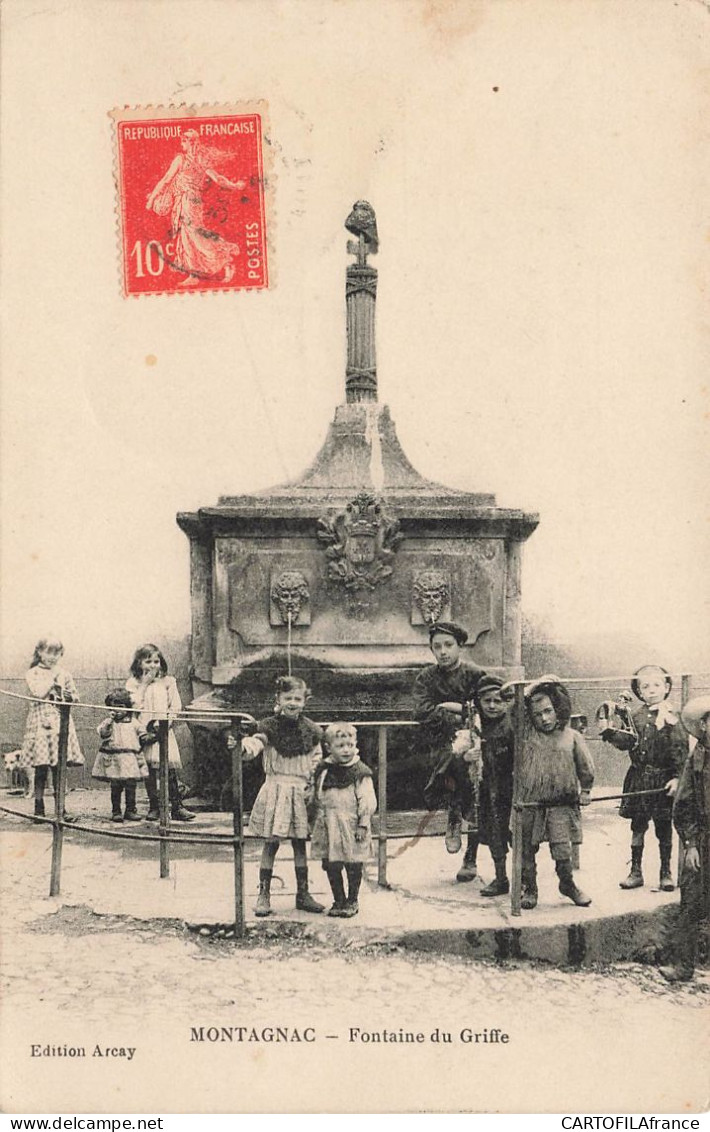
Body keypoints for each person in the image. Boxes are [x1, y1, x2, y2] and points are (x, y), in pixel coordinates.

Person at [238, 675, 325, 917]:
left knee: (299, 843)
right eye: (288, 698)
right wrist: (245, 747)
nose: (293, 703)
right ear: (278, 699)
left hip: (300, 792)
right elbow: (257, 744)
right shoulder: (269, 727)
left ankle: (303, 893)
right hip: (276, 789)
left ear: (305, 701)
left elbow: (317, 759)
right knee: (271, 842)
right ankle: (264, 893)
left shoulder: (311, 731)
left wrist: (313, 784)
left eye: (297, 698)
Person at [601, 665, 687, 891]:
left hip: (663, 780)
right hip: (639, 778)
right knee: (638, 825)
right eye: (645, 686)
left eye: (657, 685)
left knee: (663, 826)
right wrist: (611, 732)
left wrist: (677, 778)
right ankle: (635, 871)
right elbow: (628, 742)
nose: (651, 690)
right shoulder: (635, 716)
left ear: (667, 687)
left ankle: (665, 872)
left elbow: (680, 749)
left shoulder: (672, 717)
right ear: (638, 690)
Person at [413, 622, 485, 882]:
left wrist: (451, 707)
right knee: (453, 768)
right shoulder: (426, 678)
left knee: (477, 790)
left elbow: (487, 706)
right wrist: (456, 715)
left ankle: (471, 857)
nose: (443, 652)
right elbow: (421, 712)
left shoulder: (475, 675)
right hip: (441, 743)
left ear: (460, 647)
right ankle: (454, 813)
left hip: (475, 740)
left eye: (448, 645)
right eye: (437, 647)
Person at [519, 675, 594, 910]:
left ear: (558, 709)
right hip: (531, 803)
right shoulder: (527, 735)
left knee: (562, 850)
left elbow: (586, 767)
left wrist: (586, 790)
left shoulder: (572, 737)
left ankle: (567, 884)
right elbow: (514, 710)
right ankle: (529, 888)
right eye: (538, 714)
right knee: (526, 850)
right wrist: (531, 689)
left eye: (548, 711)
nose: (544, 718)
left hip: (562, 804)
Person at [146, 129, 246, 285]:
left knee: (194, 236)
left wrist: (151, 199)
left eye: (183, 141)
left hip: (186, 200)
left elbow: (166, 179)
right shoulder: (201, 161)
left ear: (188, 142)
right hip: (193, 201)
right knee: (189, 236)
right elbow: (218, 179)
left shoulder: (181, 159)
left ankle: (226, 256)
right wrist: (235, 185)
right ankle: (194, 275)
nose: (182, 144)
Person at [658, 694, 710, 983]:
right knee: (690, 902)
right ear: (703, 725)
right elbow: (684, 804)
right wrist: (691, 843)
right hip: (702, 840)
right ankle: (683, 966)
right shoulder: (697, 757)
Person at [310, 722, 377, 918]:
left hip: (351, 824)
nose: (346, 750)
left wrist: (363, 823)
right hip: (329, 823)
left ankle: (352, 899)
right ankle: (338, 899)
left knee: (353, 862)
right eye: (340, 746)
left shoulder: (359, 772)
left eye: (350, 745)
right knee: (331, 862)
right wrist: (315, 817)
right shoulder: (324, 769)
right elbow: (317, 795)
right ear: (328, 748)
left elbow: (367, 799)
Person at [125, 644, 195, 822]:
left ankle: (176, 806)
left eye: (156, 661)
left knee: (169, 769)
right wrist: (145, 684)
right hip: (144, 731)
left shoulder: (168, 682)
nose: (153, 665)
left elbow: (175, 706)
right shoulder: (133, 683)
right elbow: (133, 705)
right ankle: (154, 806)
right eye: (148, 661)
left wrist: (166, 723)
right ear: (139, 663)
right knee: (149, 769)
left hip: (163, 730)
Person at [19, 638, 83, 821]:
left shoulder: (64, 673)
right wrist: (53, 680)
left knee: (59, 767)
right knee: (41, 767)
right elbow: (38, 692)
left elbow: (75, 696)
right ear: (39, 652)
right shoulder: (33, 673)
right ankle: (38, 808)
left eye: (57, 653)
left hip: (60, 723)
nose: (53, 657)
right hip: (40, 723)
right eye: (49, 652)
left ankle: (60, 810)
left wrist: (70, 696)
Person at [476, 675, 515, 897]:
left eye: (497, 701)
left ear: (506, 702)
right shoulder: (476, 724)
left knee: (518, 835)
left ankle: (526, 880)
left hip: (510, 786)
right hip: (488, 789)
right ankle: (501, 878)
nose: (492, 706)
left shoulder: (511, 726)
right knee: (494, 834)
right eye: (487, 701)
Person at [92, 689, 150, 823]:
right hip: (114, 760)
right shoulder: (109, 722)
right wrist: (108, 723)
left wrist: (148, 736)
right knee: (116, 786)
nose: (116, 710)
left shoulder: (133, 722)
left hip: (129, 760)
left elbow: (143, 734)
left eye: (120, 707)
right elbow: (103, 734)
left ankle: (130, 810)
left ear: (128, 708)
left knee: (131, 785)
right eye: (113, 707)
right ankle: (116, 811)